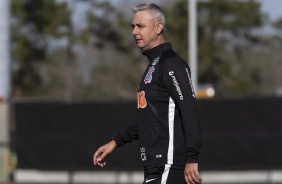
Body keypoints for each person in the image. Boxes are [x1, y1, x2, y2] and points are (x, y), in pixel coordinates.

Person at [93, 3, 202, 184]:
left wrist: (192, 158)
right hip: (155, 165)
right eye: (133, 27)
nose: (134, 32)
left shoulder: (170, 64)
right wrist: (115, 142)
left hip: (168, 164)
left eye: (140, 26)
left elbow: (189, 108)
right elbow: (149, 115)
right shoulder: (154, 65)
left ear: (158, 27)